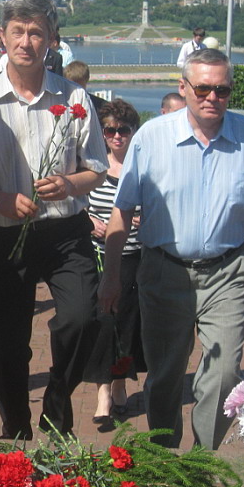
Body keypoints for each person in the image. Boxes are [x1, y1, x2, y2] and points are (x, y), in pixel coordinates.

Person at [0, 0, 108, 440]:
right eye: (17, 31)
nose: (26, 42)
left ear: (51, 39)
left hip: (64, 232)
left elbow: (96, 165)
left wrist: (70, 183)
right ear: (2, 38)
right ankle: (15, 424)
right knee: (5, 344)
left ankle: (57, 402)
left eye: (36, 32)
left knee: (81, 318)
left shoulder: (75, 98)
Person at [99, 48, 244, 450]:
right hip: (164, 270)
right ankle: (165, 460)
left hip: (229, 271)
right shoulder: (152, 136)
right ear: (183, 88)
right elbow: (122, 209)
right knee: (165, 375)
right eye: (202, 87)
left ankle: (204, 462)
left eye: (222, 90)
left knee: (222, 376)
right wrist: (111, 277)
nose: (212, 97)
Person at [83, 99, 145, 429]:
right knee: (103, 324)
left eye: (123, 130)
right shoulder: (93, 166)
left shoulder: (143, 167)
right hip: (97, 257)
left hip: (134, 257)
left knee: (127, 326)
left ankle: (120, 382)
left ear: (133, 132)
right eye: (110, 130)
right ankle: (103, 393)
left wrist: (144, 218)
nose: (117, 136)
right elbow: (77, 203)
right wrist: (90, 220)